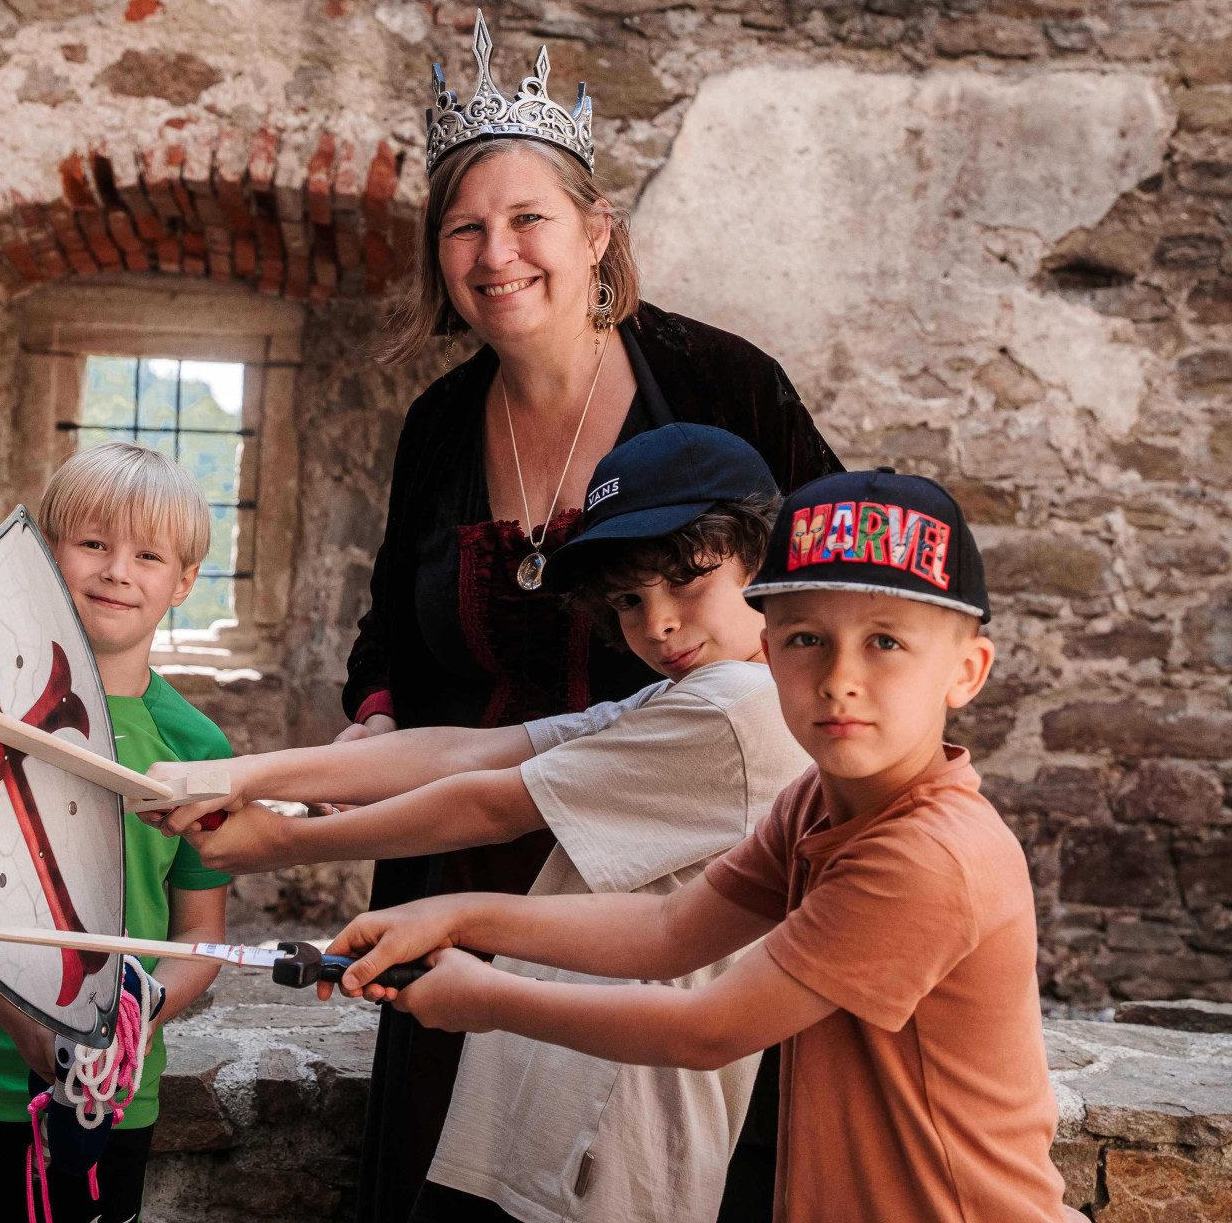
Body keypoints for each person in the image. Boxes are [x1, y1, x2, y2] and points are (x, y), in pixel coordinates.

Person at [343, 11, 841, 1220]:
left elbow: (830, 580)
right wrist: (365, 727)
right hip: (458, 853)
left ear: (595, 232)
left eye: (527, 220)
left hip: (673, 877)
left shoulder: (723, 385)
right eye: (463, 228)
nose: (494, 253)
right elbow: (389, 636)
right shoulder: (440, 427)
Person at [325, 470, 1072, 1223]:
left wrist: (487, 998)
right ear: (769, 651)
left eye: (886, 642)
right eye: (808, 639)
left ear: (966, 672)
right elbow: (668, 931)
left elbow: (708, 1027)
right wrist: (452, 918)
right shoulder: (819, 803)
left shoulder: (924, 855)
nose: (840, 680)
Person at [151, 424, 812, 1223]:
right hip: (559, 1095)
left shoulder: (740, 709)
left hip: (610, 1126)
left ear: (763, 563)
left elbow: (489, 803)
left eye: (686, 583)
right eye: (630, 600)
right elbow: (469, 754)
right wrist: (241, 774)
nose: (658, 624)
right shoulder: (689, 692)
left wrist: (284, 841)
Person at [0, 440, 233, 1223]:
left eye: (149, 554)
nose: (117, 570)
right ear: (46, 555)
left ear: (184, 581)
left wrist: (129, 1017)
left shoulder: (198, 748)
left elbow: (202, 939)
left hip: (113, 1097)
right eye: (91, 543)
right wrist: (29, 1029)